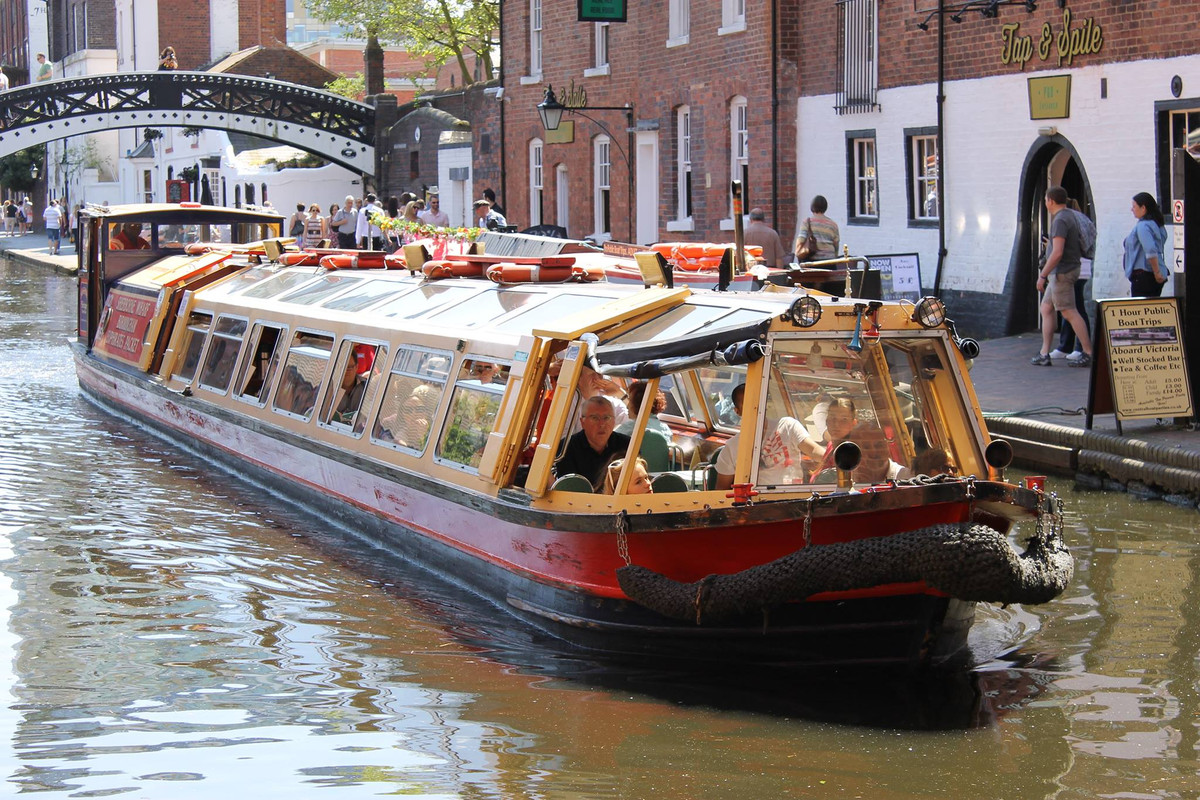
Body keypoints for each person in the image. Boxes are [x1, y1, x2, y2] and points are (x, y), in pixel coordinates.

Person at [715, 384, 824, 490]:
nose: (755, 406)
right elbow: (721, 491)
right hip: (756, 504)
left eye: (758, 401)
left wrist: (834, 457)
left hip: (792, 498)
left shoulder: (787, 426)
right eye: (748, 403)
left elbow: (813, 450)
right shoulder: (731, 447)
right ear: (737, 411)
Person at [1031, 186, 1093, 368]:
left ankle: (1088, 352)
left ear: (1050, 200)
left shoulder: (1060, 221)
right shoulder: (1070, 216)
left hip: (1062, 272)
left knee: (1069, 311)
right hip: (1060, 272)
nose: (1046, 203)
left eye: (1045, 200)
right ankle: (1044, 353)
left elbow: (1057, 252)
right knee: (1046, 308)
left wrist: (1042, 275)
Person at [1050, 198, 1096, 363]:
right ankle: (1066, 345)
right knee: (1069, 309)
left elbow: (1063, 248)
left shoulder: (1066, 220)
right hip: (1081, 269)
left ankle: (1080, 348)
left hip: (1075, 270)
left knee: (1075, 309)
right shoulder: (1079, 219)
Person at [554, 396, 631, 489]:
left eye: (607, 418)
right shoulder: (566, 448)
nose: (601, 424)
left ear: (614, 421)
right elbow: (568, 487)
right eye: (595, 418)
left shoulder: (627, 445)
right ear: (582, 422)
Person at [1123, 191, 1168, 298]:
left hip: (1144, 275)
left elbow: (1150, 250)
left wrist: (1156, 272)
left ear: (1143, 208)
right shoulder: (1157, 224)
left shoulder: (1143, 226)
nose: (1132, 209)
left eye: (1134, 206)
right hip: (1152, 275)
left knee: (1141, 310)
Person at [794, 195, 840, 262]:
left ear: (812, 207)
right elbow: (836, 244)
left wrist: (798, 251)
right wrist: (835, 257)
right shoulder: (833, 224)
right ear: (825, 207)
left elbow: (801, 240)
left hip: (812, 260)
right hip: (829, 261)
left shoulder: (807, 222)